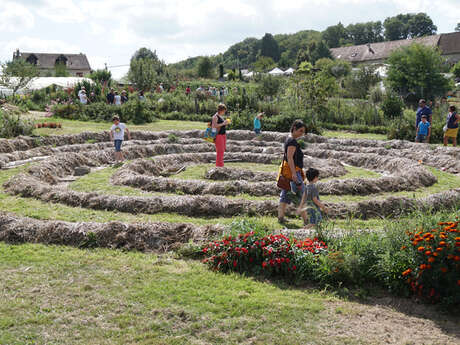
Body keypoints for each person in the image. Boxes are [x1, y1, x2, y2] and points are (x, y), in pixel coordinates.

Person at [278, 119, 308, 225]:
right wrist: (294, 174)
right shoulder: (292, 141)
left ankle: (280, 217)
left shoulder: (290, 139)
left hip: (291, 172)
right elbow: (290, 158)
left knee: (285, 194)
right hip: (293, 173)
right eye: (300, 131)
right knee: (302, 195)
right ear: (294, 128)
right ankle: (306, 220)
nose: (302, 134)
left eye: (303, 132)